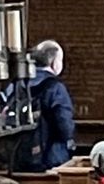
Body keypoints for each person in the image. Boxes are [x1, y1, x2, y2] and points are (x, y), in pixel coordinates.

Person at [13, 39, 76, 172]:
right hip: (51, 159)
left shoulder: (18, 84)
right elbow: (64, 126)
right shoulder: (55, 88)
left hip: (18, 158)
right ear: (54, 62)